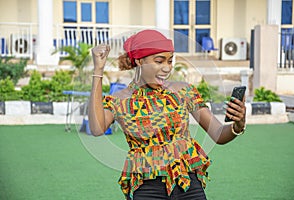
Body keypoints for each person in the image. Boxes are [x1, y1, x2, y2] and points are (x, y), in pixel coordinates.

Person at [88, 29, 246, 200]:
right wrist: (99, 70)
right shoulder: (120, 100)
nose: (167, 68)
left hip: (188, 184)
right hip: (147, 186)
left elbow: (218, 134)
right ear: (140, 61)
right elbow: (97, 128)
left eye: (170, 61)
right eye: (159, 61)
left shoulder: (183, 91)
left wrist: (237, 126)